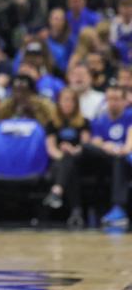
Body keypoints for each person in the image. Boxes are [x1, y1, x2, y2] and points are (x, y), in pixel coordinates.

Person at [83, 82, 132, 229]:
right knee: (87, 147)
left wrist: (122, 149)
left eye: (117, 99)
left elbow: (129, 143)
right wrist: (106, 146)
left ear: (125, 101)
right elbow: (96, 141)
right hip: (106, 158)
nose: (113, 103)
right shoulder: (100, 119)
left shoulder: (129, 116)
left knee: (120, 159)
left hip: (125, 157)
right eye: (110, 99)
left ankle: (119, 209)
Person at [43, 87, 90, 228]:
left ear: (76, 104)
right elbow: (51, 149)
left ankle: (57, 190)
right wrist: (63, 154)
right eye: (65, 100)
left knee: (70, 161)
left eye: (71, 101)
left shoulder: (84, 122)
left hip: (80, 160)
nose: (68, 103)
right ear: (59, 102)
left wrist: (73, 150)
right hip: (58, 162)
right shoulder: (52, 123)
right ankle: (76, 212)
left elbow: (85, 145)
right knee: (68, 165)